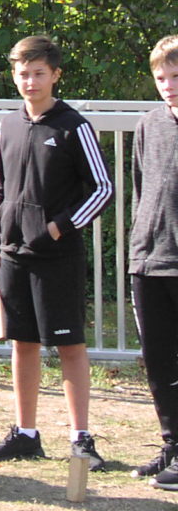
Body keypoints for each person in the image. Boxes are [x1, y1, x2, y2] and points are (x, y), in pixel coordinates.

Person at [0, 35, 113, 470]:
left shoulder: (74, 126)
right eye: (23, 73)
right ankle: (26, 434)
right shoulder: (9, 125)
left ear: (55, 75)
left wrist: (57, 227)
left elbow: (102, 189)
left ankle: (81, 439)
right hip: (13, 254)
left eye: (39, 73)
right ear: (13, 75)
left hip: (58, 258)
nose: (30, 81)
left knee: (69, 345)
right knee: (23, 343)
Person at [127, 35, 178, 489]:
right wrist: (138, 247)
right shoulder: (149, 124)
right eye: (161, 78)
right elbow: (141, 188)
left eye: (175, 76)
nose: (168, 86)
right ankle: (171, 444)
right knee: (158, 360)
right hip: (148, 259)